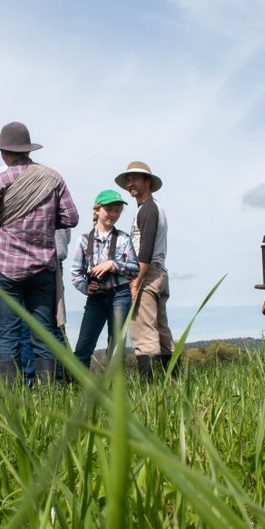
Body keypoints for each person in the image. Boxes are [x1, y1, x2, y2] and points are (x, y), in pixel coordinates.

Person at [0, 122, 78, 383]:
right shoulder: (53, 178)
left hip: (4, 266)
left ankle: (14, 398)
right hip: (42, 265)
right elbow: (71, 218)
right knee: (44, 332)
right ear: (28, 150)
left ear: (3, 152)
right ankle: (48, 396)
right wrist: (43, 224)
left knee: (8, 334)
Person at [115, 161, 173, 380]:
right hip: (159, 272)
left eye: (135, 178)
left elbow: (145, 249)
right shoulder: (152, 207)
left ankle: (152, 388)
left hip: (146, 273)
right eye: (128, 179)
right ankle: (171, 381)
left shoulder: (148, 209)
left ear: (147, 182)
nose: (130, 183)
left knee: (143, 332)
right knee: (161, 329)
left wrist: (135, 281)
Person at [70, 190, 139, 369]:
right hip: (96, 298)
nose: (114, 214)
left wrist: (112, 265)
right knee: (83, 347)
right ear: (97, 210)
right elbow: (76, 273)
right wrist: (86, 287)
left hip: (121, 295)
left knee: (116, 348)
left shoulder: (124, 239)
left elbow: (134, 269)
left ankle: (114, 391)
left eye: (117, 211)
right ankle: (78, 389)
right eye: (109, 209)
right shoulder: (84, 240)